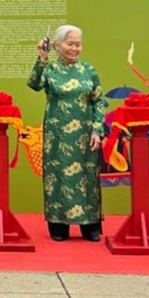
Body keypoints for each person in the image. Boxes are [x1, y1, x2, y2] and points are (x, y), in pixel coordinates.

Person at [27, 25, 105, 242]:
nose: (74, 48)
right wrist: (41, 58)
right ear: (57, 45)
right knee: (58, 177)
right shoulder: (50, 69)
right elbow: (33, 84)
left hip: (85, 134)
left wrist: (97, 130)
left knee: (86, 178)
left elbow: (99, 102)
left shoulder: (88, 70)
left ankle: (89, 225)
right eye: (70, 44)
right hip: (57, 135)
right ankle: (58, 224)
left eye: (78, 44)